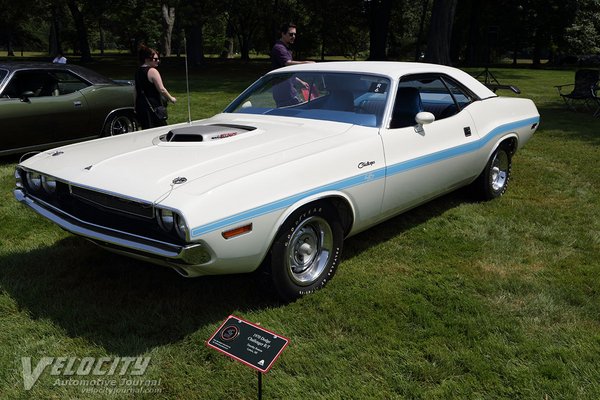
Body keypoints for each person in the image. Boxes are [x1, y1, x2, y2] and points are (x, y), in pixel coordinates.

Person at [270, 23, 314, 107]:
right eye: (291, 34)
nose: (293, 36)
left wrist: (300, 81)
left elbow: (287, 71)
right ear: (283, 34)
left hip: (289, 90)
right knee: (298, 112)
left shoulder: (286, 48)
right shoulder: (279, 48)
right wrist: (306, 63)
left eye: (294, 34)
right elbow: (288, 63)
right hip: (283, 92)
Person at [134, 45, 176, 129]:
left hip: (141, 105)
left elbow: (135, 90)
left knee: (146, 129)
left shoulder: (138, 71)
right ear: (147, 59)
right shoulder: (152, 71)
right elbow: (161, 89)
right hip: (153, 105)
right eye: (155, 59)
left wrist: (135, 105)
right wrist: (171, 98)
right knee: (159, 129)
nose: (158, 61)